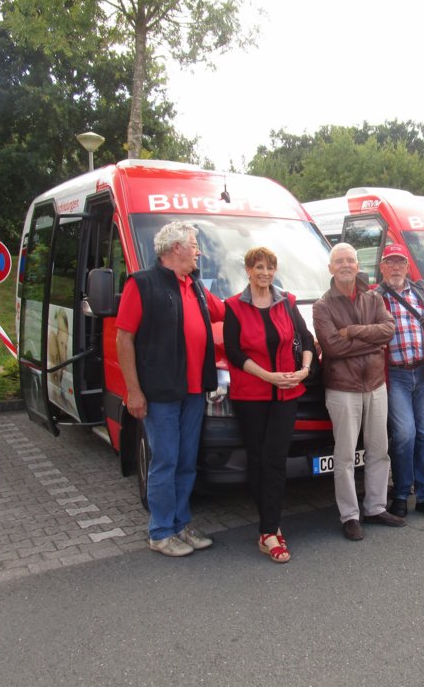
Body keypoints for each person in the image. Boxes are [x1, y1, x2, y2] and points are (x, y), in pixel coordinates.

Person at [115, 221, 224, 557]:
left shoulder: (195, 286)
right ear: (176, 248)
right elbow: (124, 338)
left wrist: (266, 291)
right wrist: (134, 391)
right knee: (166, 460)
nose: (198, 251)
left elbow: (228, 310)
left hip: (193, 391)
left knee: (186, 462)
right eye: (194, 245)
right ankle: (160, 531)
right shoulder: (142, 284)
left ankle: (180, 524)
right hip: (160, 393)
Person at [224, 247, 314, 563]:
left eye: (270, 267)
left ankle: (269, 528)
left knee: (274, 459)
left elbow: (305, 339)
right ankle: (269, 529)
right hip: (251, 395)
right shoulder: (234, 306)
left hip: (286, 394)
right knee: (258, 460)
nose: (265, 272)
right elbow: (234, 351)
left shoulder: (286, 302)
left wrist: (303, 371)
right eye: (258, 267)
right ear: (248, 270)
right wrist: (268, 376)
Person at [312, 243, 402, 541]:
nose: (346, 265)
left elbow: (388, 330)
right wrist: (373, 340)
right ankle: (350, 515)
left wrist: (352, 331)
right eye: (339, 261)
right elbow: (332, 348)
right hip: (343, 389)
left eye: (350, 260)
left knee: (379, 450)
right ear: (330, 268)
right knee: (346, 456)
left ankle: (375, 507)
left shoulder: (373, 296)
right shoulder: (322, 305)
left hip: (376, 385)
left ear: (357, 265)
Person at [376, 244, 424, 519]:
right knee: (405, 435)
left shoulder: (421, 293)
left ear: (407, 267)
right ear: (382, 267)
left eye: (400, 263)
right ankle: (401, 491)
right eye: (390, 263)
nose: (395, 268)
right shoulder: (375, 298)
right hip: (395, 375)